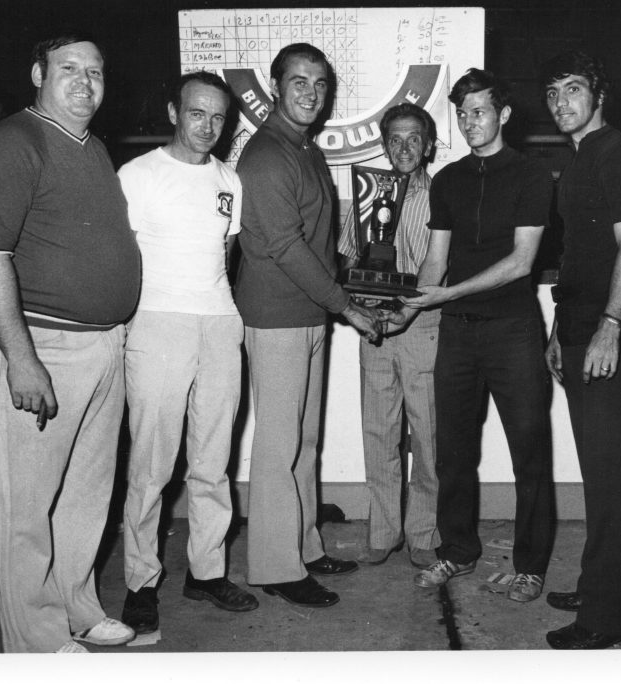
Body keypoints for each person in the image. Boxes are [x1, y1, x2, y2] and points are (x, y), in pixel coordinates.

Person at [0, 33, 141, 653]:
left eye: (96, 71)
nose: (86, 82)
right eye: (70, 69)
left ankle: (78, 608)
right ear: (38, 72)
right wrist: (21, 358)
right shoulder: (12, 143)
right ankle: (36, 644)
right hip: (44, 347)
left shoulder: (90, 148)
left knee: (87, 496)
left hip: (104, 345)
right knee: (28, 507)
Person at [234, 43, 383, 608]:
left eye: (320, 84)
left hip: (309, 311)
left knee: (305, 441)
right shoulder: (267, 156)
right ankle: (275, 566)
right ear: (275, 86)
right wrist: (347, 306)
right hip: (276, 316)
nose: (311, 94)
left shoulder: (306, 149)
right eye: (299, 82)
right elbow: (288, 248)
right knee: (278, 446)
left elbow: (322, 243)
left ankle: (303, 544)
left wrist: (350, 288)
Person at [400, 68, 555, 604]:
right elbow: (435, 260)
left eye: (480, 111)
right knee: (452, 452)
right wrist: (409, 305)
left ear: (504, 115)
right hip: (459, 335)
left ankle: (530, 565)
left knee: (529, 451)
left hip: (513, 331)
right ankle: (457, 551)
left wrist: (447, 294)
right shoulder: (447, 181)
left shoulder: (532, 176)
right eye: (462, 113)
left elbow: (521, 263)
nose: (469, 122)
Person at [117, 71, 258, 635]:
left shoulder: (230, 180)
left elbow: (226, 253)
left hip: (222, 324)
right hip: (157, 323)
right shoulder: (138, 174)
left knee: (212, 462)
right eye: (197, 113)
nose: (207, 126)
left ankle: (205, 571)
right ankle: (140, 582)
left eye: (219, 117)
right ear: (175, 112)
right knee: (152, 466)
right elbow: (120, 257)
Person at [541, 50, 621, 649]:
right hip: (580, 335)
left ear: (599, 95)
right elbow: (576, 262)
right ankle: (598, 585)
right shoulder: (580, 162)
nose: (562, 101)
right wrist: (557, 334)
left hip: (617, 341)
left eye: (574, 89)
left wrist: (610, 325)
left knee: (613, 486)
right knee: (600, 480)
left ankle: (610, 622)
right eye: (553, 92)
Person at [337, 103, 440, 570]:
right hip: (376, 326)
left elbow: (443, 266)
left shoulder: (441, 197)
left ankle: (423, 532)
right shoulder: (367, 194)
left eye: (413, 139)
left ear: (428, 144)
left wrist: (409, 305)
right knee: (379, 429)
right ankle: (384, 531)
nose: (403, 148)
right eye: (394, 140)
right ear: (384, 145)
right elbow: (345, 258)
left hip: (422, 325)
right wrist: (355, 301)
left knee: (428, 432)